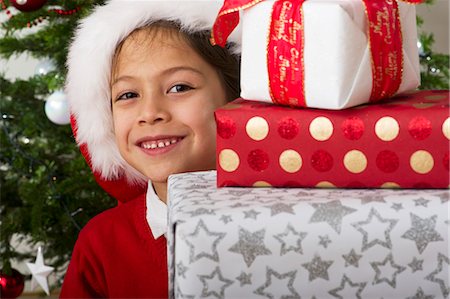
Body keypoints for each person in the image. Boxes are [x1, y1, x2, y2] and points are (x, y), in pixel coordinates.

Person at [60, 0, 241, 297]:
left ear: (236, 100)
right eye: (128, 94)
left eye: (179, 87)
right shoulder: (101, 243)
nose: (150, 112)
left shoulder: (287, 226)